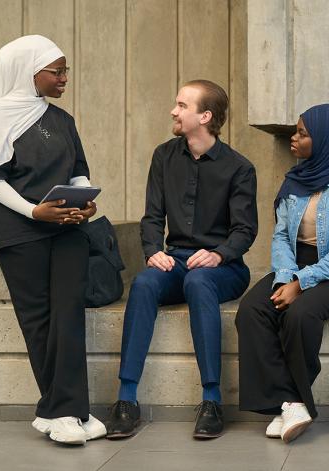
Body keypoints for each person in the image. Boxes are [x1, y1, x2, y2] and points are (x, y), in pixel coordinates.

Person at [0, 35, 104, 445]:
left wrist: (84, 198)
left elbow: (78, 169)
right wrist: (34, 211)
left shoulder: (63, 120)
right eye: (56, 72)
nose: (64, 79)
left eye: (65, 71)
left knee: (69, 315)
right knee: (39, 322)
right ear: (29, 72)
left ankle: (63, 411)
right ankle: (67, 412)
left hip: (67, 228)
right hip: (18, 231)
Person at [104, 80, 257, 440]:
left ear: (204, 116)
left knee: (198, 281)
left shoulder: (239, 168)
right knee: (142, 284)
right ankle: (126, 400)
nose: (174, 111)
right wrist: (153, 250)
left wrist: (219, 253)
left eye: (181, 105)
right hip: (175, 260)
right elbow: (152, 216)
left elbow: (244, 231)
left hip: (224, 269)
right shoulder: (164, 156)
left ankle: (212, 401)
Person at [235, 104, 329, 443]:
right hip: (293, 263)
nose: (294, 138)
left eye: (302, 134)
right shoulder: (295, 179)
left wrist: (301, 283)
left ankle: (295, 400)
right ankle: (287, 402)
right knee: (252, 310)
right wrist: (284, 276)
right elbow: (281, 235)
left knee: (300, 313)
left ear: (325, 140)